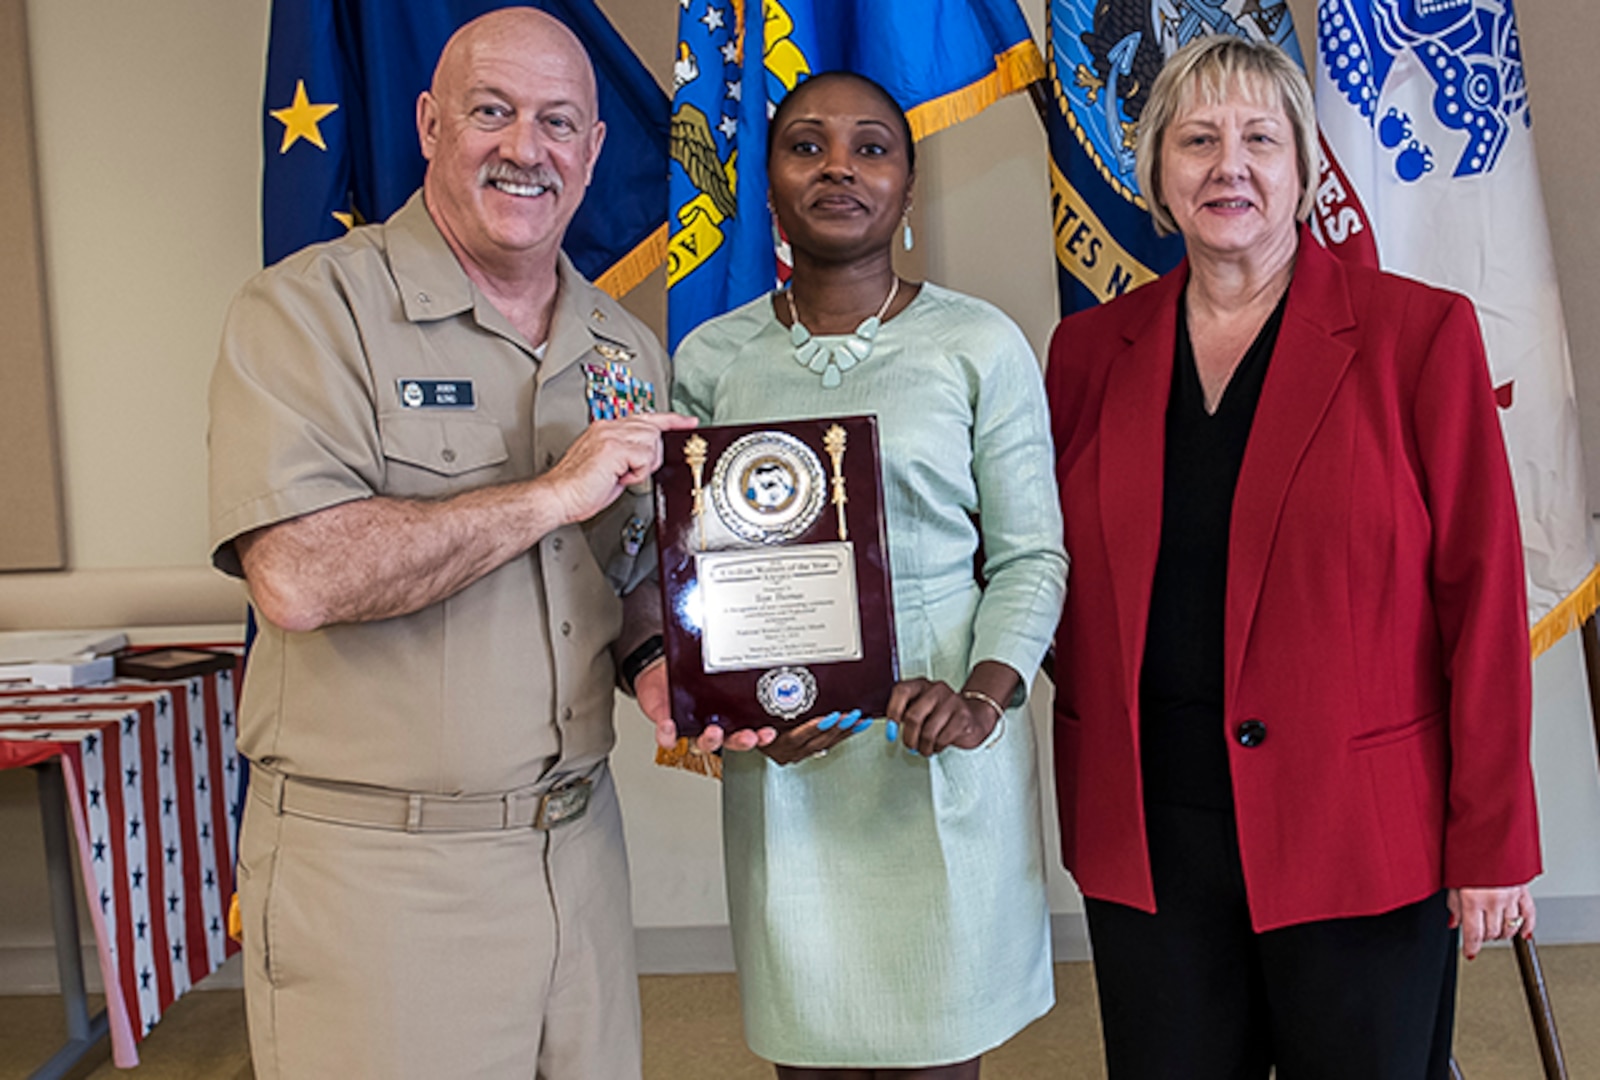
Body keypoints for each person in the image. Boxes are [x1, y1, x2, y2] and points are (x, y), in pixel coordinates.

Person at [207, 10, 699, 1078]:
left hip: (578, 851)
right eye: (492, 111)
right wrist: (548, 495)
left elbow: (612, 578)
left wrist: (671, 668)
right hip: (382, 872)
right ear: (430, 123)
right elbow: (294, 576)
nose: (527, 148)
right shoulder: (308, 312)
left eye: (559, 122)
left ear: (594, 153)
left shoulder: (622, 347)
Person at [1046, 34, 1541, 1079]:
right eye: (1197, 140)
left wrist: (1491, 838)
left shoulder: (1418, 336)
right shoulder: (1089, 352)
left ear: (1305, 171)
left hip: (1359, 834)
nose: (1228, 165)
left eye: (1260, 138)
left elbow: (1482, 596)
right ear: (1154, 172)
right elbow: (1048, 572)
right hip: (1153, 836)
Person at [667, 71, 1068, 1079]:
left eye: (871, 147)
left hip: (934, 743)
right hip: (788, 755)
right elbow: (686, 575)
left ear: (907, 181)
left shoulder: (980, 344)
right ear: (767, 181)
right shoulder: (711, 359)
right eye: (806, 145)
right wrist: (729, 709)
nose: (839, 165)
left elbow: (1031, 555)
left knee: (938, 1050)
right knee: (810, 1046)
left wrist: (984, 697)